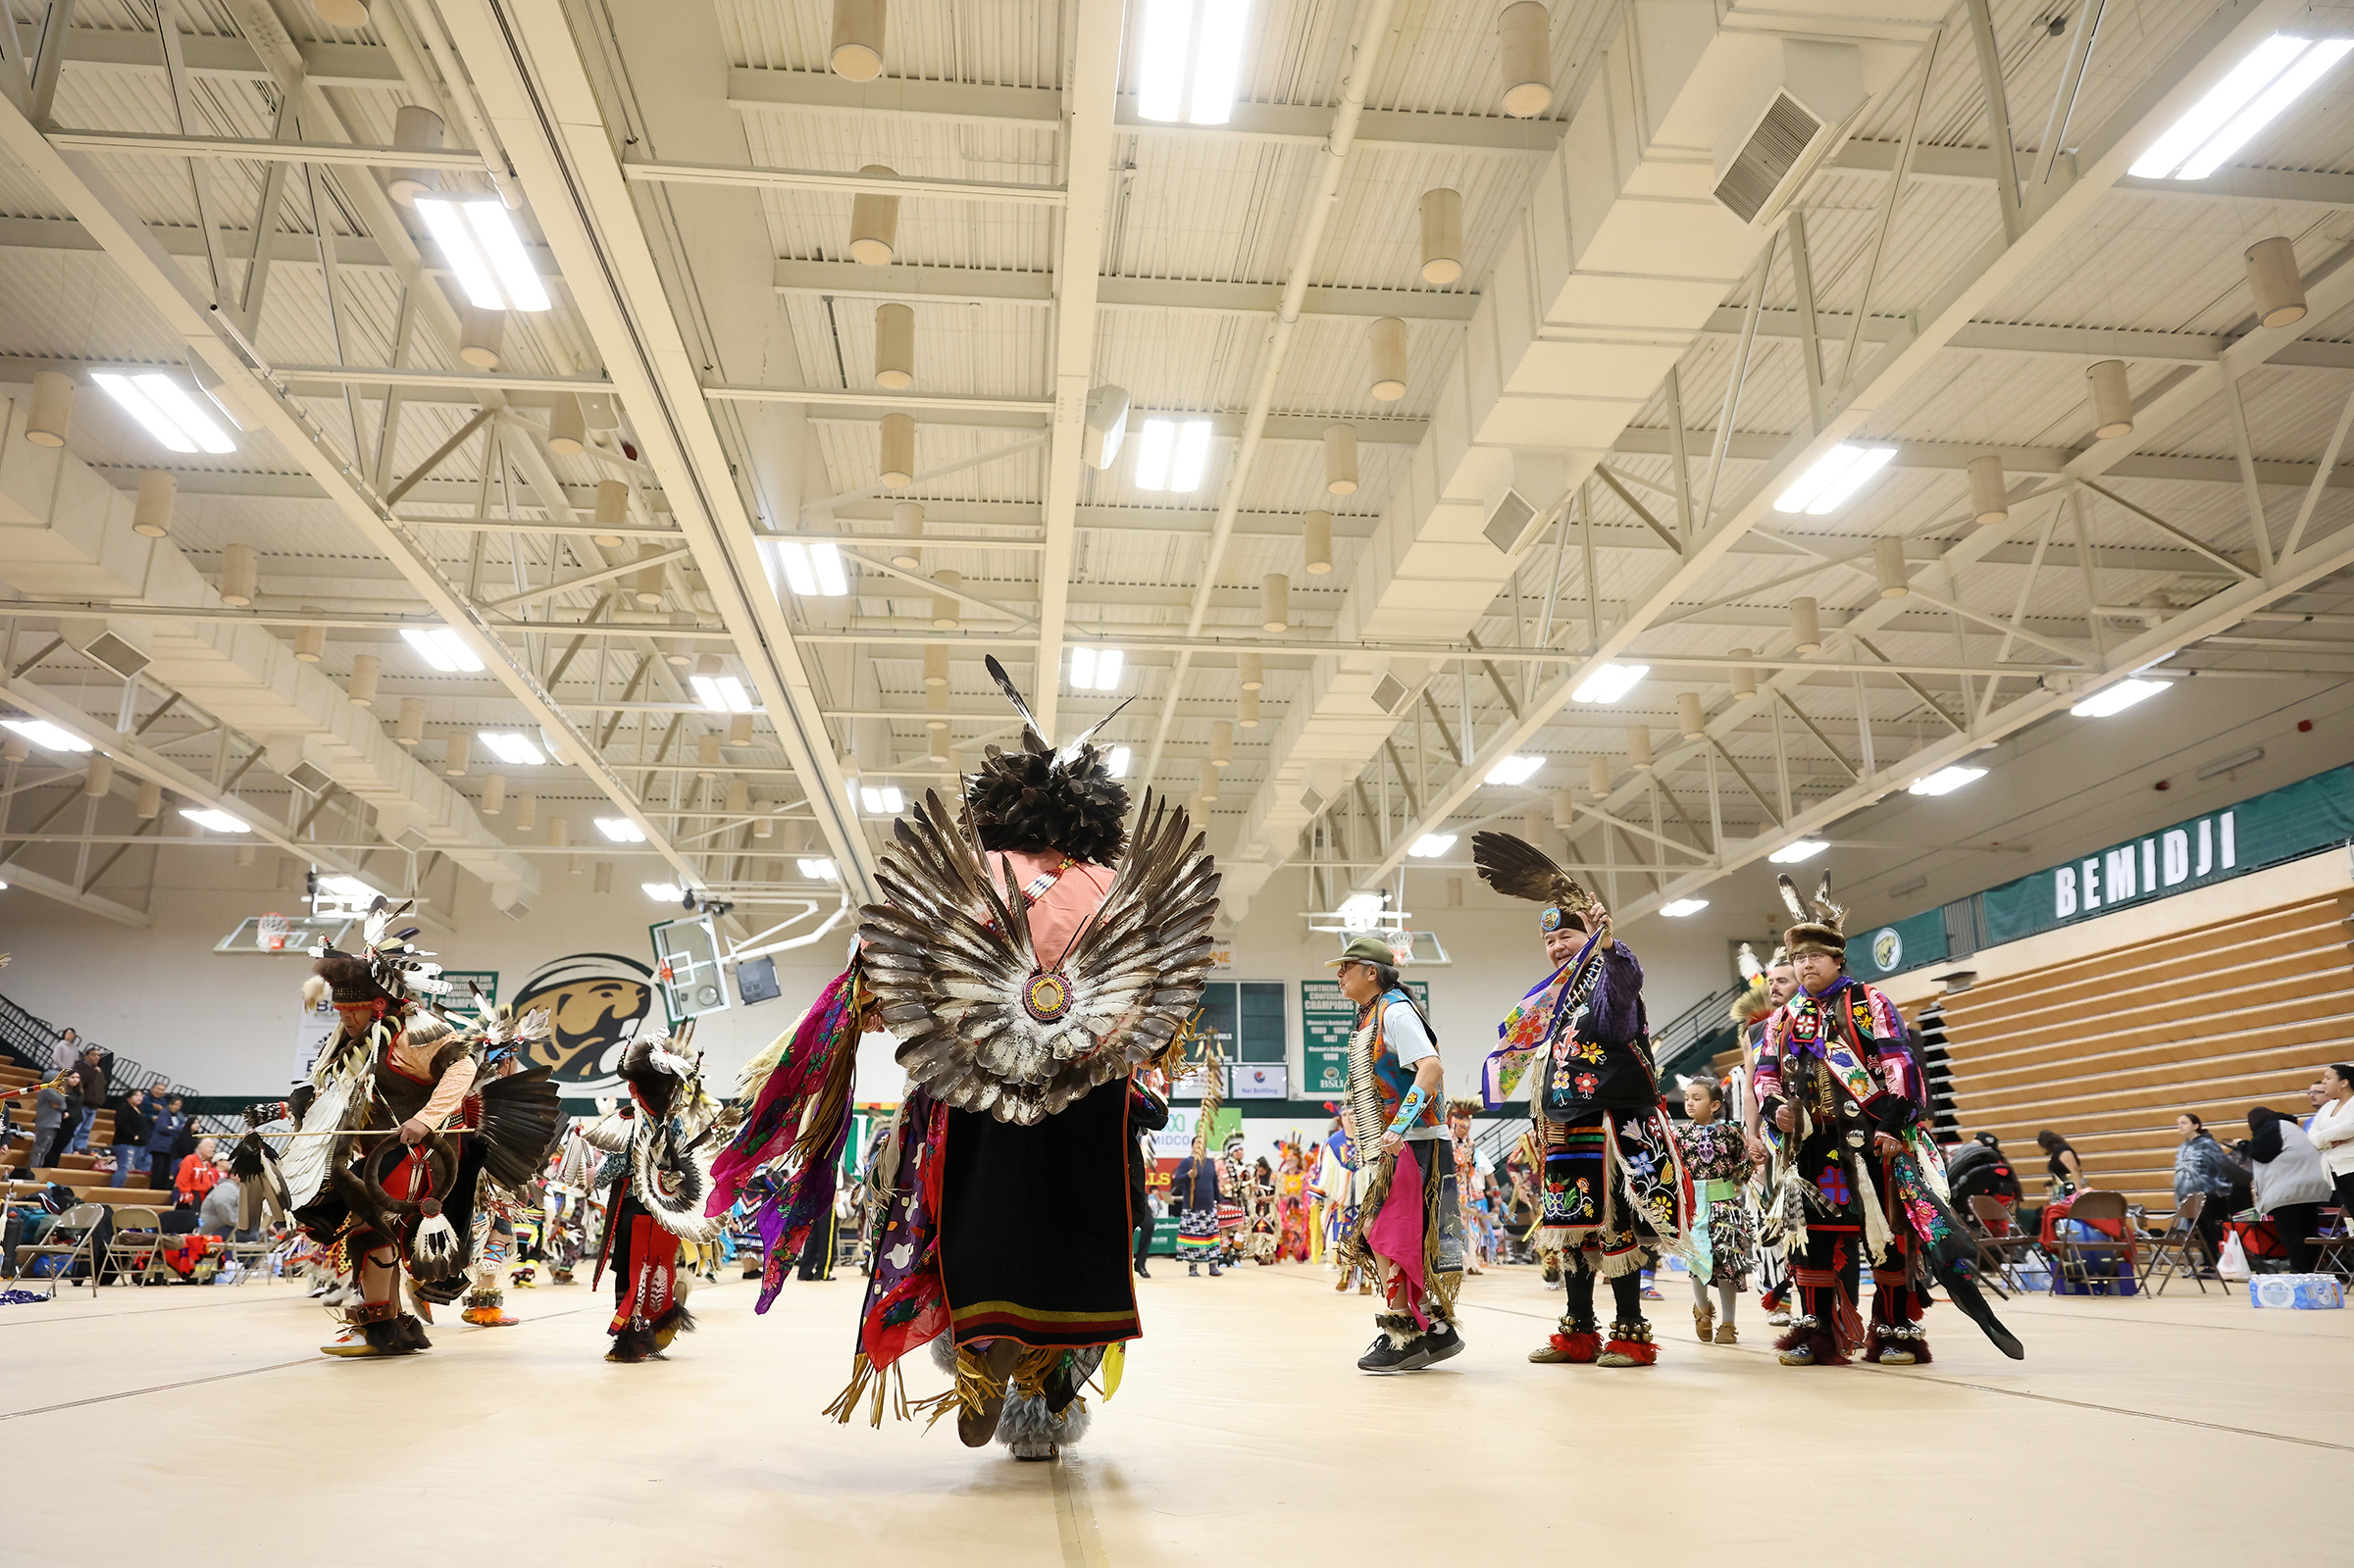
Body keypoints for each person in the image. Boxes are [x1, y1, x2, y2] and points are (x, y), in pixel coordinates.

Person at [707, 656, 1217, 1461]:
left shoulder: (972, 875)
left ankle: (978, 1350)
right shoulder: (1112, 884)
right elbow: (1169, 1002)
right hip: (1088, 1105)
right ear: (1092, 816)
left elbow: (879, 976)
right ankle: (1049, 1390)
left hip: (974, 1095)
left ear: (1000, 809)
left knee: (971, 1231)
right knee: (1078, 1237)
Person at [240, 899, 559, 1359]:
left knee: (372, 1223)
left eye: (351, 1011)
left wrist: (425, 1120)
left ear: (376, 1004)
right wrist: (291, 1105)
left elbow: (462, 1067)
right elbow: (323, 1088)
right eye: (339, 1010)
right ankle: (385, 1323)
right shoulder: (346, 1039)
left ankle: (377, 1321)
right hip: (373, 1152)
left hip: (424, 1153)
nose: (343, 1018)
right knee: (372, 1228)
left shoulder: (417, 1031)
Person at [1755, 873, 2020, 1367]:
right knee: (1812, 1236)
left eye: (1814, 956)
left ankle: (1896, 1333)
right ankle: (1815, 1335)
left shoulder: (1868, 1002)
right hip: (1811, 1146)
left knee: (1888, 1238)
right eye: (1796, 958)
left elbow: (1900, 1065)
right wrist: (1775, 1108)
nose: (1804, 964)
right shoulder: (1783, 1019)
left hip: (1873, 1138)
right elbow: (1766, 1073)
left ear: (1837, 960)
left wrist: (1892, 1127)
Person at [1473, 833, 1684, 1370]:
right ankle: (1577, 1334)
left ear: (1588, 933)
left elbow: (1624, 991)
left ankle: (1632, 1335)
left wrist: (1608, 944)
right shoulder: (1554, 998)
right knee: (1570, 1230)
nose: (1558, 947)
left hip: (1614, 1126)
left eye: (1567, 936)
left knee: (1615, 1228)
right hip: (1567, 1129)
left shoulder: (1607, 980)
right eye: (1551, 941)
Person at [1330, 933, 1464, 1373]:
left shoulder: (1396, 1011)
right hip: (1392, 1145)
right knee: (1400, 1235)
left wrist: (1400, 1126)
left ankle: (1402, 1332)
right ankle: (1438, 1330)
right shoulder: (1371, 1014)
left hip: (1413, 1143)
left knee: (1383, 1231)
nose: (1339, 974)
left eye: (1346, 966)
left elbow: (1431, 1069)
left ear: (1372, 972)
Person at [585, 1033, 718, 1361]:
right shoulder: (673, 1122)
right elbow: (683, 1158)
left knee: (630, 1269)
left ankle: (631, 1340)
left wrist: (594, 1177)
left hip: (633, 1207)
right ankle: (657, 1323)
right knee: (657, 1267)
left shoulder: (633, 1121)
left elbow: (619, 1163)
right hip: (666, 1210)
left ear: (633, 1088)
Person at [1675, 1075, 1754, 1345]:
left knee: (1727, 1261)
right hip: (1693, 1205)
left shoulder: (1731, 1133)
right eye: (1687, 1099)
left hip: (1725, 1205)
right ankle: (1703, 1310)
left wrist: (1734, 1189)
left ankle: (1729, 1323)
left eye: (1697, 1099)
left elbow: (1744, 1165)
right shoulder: (1680, 1134)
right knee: (1695, 1258)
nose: (1689, 1103)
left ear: (1715, 1105)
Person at [2239, 1106, 2332, 1272]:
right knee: (2309, 1234)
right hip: (2314, 1188)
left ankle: (2299, 1272)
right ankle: (2310, 1271)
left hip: (2289, 1191)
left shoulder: (2271, 1127)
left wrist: (2242, 1145)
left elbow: (2261, 1153)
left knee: (2290, 1235)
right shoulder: (2290, 1127)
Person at [2173, 1113, 2245, 1265]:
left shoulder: (2207, 1144)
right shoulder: (2184, 1147)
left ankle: (2220, 1263)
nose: (2180, 1126)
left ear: (2196, 1125)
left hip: (2209, 1195)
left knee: (2211, 1232)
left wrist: (2220, 1190)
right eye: (2178, 1123)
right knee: (2200, 1234)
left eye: (2184, 1123)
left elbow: (2222, 1166)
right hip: (2191, 1197)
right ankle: (2209, 1263)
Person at [1126, 1069, 1171, 1279]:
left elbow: (1157, 1116)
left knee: (1148, 1223)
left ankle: (1139, 1263)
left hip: (1130, 1177)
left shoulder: (1133, 1088)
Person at [1170, 1133, 1224, 1277]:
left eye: (1202, 1143)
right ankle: (1193, 1267)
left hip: (1209, 1206)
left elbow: (1214, 1183)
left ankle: (1213, 1266)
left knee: (1212, 1236)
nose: (1199, 1146)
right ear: (1192, 1146)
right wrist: (1188, 1175)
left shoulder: (1210, 1163)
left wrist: (1219, 1201)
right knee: (1193, 1238)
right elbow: (1176, 1181)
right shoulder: (1187, 1163)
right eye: (1196, 1143)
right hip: (1192, 1207)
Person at [2306, 1065, 2354, 1226]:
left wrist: (2323, 1139)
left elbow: (2350, 1127)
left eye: (2328, 1078)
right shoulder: (2327, 1107)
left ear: (2344, 1083)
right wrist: (2329, 1141)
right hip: (2334, 1170)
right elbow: (2311, 1137)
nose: (2324, 1081)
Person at [31, 1070, 77, 1172]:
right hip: (46, 1122)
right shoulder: (47, 1089)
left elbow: (62, 1104)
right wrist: (61, 1102)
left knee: (45, 1150)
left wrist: (60, 1105)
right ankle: (33, 1170)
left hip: (53, 1123)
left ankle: (38, 1170)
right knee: (40, 1149)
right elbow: (61, 1101)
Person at [67, 1045, 108, 1155]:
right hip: (82, 1104)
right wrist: (94, 1070)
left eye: (98, 1056)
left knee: (85, 1131)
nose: (96, 1058)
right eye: (94, 1055)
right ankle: (69, 1151)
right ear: (86, 1056)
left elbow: (103, 1084)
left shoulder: (98, 1070)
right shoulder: (79, 1066)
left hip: (94, 1105)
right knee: (75, 1129)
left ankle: (81, 1149)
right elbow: (83, 1080)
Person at [109, 1086, 151, 1188]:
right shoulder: (124, 1109)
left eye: (141, 1096)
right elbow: (121, 1124)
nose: (139, 1098)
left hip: (138, 1143)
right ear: (129, 1097)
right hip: (126, 1142)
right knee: (124, 1167)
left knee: (136, 1167)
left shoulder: (139, 1110)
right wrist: (132, 1135)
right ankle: (115, 1189)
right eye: (136, 1095)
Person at [144, 1095, 185, 1192]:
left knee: (166, 1170)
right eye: (175, 1105)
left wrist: (173, 1128)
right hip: (160, 1146)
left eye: (179, 1105)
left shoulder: (179, 1116)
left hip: (171, 1148)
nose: (177, 1107)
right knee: (158, 1169)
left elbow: (182, 1128)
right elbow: (163, 1128)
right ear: (170, 1105)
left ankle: (163, 1189)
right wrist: (176, 1129)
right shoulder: (164, 1113)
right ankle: (154, 1189)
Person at [2035, 1130, 2087, 1198]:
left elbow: (2074, 1169)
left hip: (2070, 1190)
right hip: (2064, 1190)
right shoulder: (2057, 1152)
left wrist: (2078, 1192)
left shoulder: (2062, 1150)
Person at [176, 1138, 223, 1208]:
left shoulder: (207, 1164)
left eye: (213, 1147)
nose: (212, 1149)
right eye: (210, 1147)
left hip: (204, 1197)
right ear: (201, 1147)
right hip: (192, 1197)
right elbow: (183, 1179)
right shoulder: (190, 1159)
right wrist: (187, 1195)